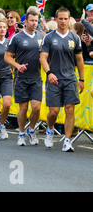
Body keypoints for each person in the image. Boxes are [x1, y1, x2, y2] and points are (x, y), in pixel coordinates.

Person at [40, 8, 84, 152]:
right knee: (53, 111)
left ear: (69, 19)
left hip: (70, 79)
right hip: (54, 79)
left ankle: (67, 140)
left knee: (70, 109)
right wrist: (49, 73)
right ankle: (50, 129)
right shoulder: (49, 37)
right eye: (61, 19)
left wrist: (81, 79)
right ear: (56, 19)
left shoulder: (75, 38)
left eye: (66, 19)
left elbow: (79, 59)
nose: (63, 21)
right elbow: (43, 58)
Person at [4, 10, 45, 146]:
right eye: (32, 21)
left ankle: (31, 130)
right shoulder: (17, 38)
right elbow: (7, 56)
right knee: (23, 108)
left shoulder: (42, 36)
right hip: (21, 78)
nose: (34, 23)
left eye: (36, 20)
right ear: (25, 22)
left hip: (36, 78)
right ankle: (21, 133)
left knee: (36, 108)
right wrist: (17, 65)